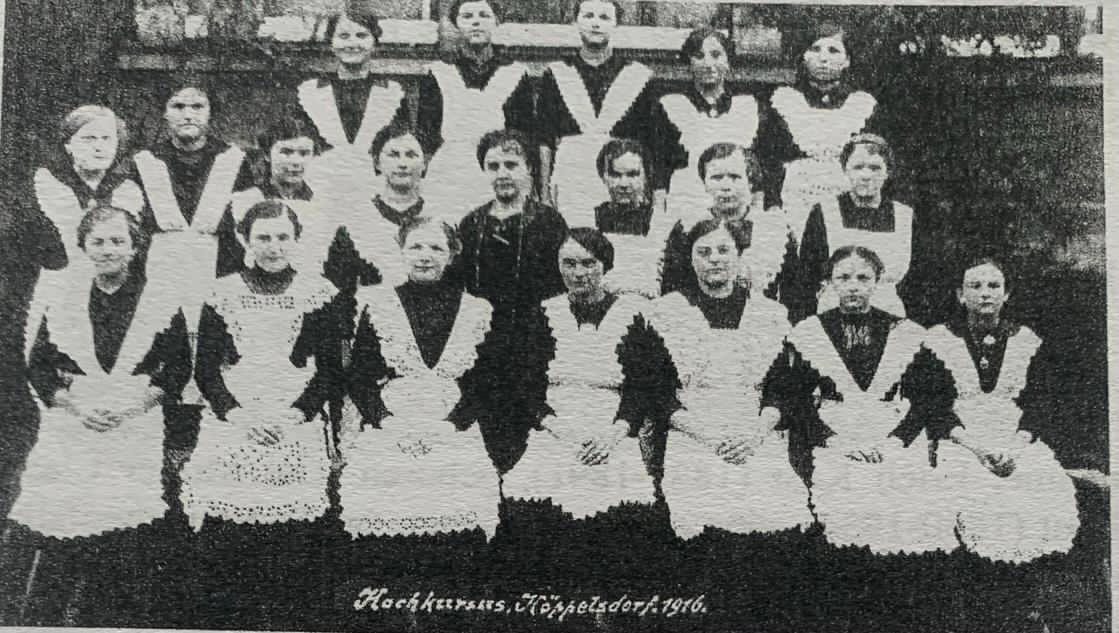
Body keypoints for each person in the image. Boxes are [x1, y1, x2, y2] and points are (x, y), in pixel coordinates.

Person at [5, 206, 190, 627]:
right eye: (99, 241)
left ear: (135, 246)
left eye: (118, 241)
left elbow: (179, 367)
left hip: (133, 420)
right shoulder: (65, 298)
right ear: (84, 246)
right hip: (76, 419)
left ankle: (111, 618)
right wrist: (77, 408)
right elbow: (38, 367)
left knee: (123, 529)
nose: (108, 250)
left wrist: (133, 408)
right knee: (62, 524)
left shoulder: (160, 297)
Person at [178, 200, 339, 630]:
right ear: (244, 240)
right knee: (228, 531)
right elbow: (206, 370)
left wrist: (294, 415)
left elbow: (329, 371)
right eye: (263, 237)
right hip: (237, 416)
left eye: (283, 237)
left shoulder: (318, 292)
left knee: (293, 536)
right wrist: (238, 416)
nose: (273, 246)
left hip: (293, 418)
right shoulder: (222, 292)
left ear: (296, 239)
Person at [339, 217, 499, 564]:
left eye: (436, 248)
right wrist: (386, 421)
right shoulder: (380, 306)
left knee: (456, 517)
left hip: (453, 424)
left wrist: (452, 425)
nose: (425, 255)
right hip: (393, 423)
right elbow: (359, 377)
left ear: (452, 254)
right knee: (386, 514)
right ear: (401, 251)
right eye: (416, 246)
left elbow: (486, 381)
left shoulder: (476, 309)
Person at [785, 245, 956, 555]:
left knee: (908, 514)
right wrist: (834, 440)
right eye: (844, 278)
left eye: (863, 278)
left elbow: (926, 400)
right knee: (846, 512)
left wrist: (895, 441)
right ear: (830, 282)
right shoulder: (810, 331)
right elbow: (797, 402)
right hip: (835, 433)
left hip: (891, 432)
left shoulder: (905, 331)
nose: (853, 286)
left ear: (877, 281)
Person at [648, 218, 811, 540]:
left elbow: (779, 388)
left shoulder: (768, 314)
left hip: (753, 431)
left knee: (778, 515)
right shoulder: (666, 312)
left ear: (739, 255)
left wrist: (755, 435)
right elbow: (659, 394)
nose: (715, 259)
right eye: (704, 252)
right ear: (690, 259)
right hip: (693, 431)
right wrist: (711, 438)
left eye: (724, 250)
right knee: (703, 519)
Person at [923, 258, 1078, 562]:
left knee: (1044, 491)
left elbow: (1039, 404)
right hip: (962, 441)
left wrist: (1015, 447)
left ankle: (1027, 575)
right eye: (975, 286)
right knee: (978, 497)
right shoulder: (938, 339)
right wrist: (978, 449)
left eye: (994, 286)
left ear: (1006, 294)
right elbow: (935, 408)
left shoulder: (1027, 341)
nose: (985, 293)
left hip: (1015, 439)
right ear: (960, 295)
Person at [455, 128, 567, 473]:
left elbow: (557, 289)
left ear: (529, 168)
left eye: (511, 164)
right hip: (482, 349)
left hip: (531, 345)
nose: (502, 173)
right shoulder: (471, 224)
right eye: (493, 166)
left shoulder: (548, 222)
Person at [535, 0, 654, 226]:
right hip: (571, 176)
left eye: (604, 17)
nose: (596, 24)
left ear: (616, 24)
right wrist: (544, 194)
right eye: (588, 16)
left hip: (620, 179)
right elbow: (545, 140)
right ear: (575, 22)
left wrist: (646, 190)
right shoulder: (558, 73)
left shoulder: (637, 75)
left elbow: (647, 140)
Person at [759, 22, 878, 240]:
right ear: (804, 57)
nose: (823, 58)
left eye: (833, 51)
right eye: (815, 49)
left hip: (844, 197)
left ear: (847, 60)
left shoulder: (861, 105)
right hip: (794, 198)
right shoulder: (784, 101)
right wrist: (773, 206)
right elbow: (768, 160)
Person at [416, 0, 535, 218]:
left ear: (497, 21)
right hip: (450, 170)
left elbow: (524, 134)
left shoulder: (515, 73)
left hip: (500, 168)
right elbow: (426, 134)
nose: (476, 22)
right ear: (456, 24)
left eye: (484, 15)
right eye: (467, 16)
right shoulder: (439, 72)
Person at [791, 133, 912, 321]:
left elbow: (917, 282)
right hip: (833, 317)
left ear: (887, 171)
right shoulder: (825, 211)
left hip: (889, 316)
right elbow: (806, 279)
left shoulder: (905, 216)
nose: (866, 176)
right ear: (845, 170)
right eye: (858, 167)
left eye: (875, 168)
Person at [648, 28, 763, 217]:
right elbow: (661, 167)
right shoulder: (672, 105)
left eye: (716, 55)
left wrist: (758, 213)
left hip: (737, 207)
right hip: (688, 203)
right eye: (699, 56)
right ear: (689, 62)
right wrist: (659, 215)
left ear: (728, 61)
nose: (708, 64)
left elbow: (759, 167)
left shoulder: (747, 106)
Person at [296, 9, 409, 201]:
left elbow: (399, 145)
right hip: (320, 187)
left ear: (375, 43)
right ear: (331, 43)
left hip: (375, 189)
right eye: (343, 36)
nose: (352, 43)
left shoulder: (392, 92)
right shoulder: (310, 91)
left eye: (361, 35)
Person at [660, 143, 790, 299]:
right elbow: (672, 289)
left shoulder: (773, 230)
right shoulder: (688, 228)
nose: (726, 186)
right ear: (705, 183)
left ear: (750, 182)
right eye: (716, 178)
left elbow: (794, 292)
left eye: (735, 177)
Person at [322, 123, 433, 293]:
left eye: (411, 155)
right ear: (377, 162)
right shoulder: (353, 224)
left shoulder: (439, 218)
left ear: (424, 163)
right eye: (393, 155)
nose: (402, 163)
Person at [30, 106, 144, 268]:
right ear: (68, 145)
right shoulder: (47, 184)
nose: (99, 147)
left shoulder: (128, 189)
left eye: (107, 138)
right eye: (89, 139)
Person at [218, 113, 323, 277]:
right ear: (267, 154)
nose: (295, 162)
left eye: (304, 153)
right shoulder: (243, 201)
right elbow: (228, 265)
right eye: (286, 152)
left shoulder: (322, 202)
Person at [592, 138, 671, 298]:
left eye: (632, 174)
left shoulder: (661, 225)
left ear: (646, 176)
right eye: (615, 175)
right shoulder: (590, 221)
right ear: (603, 176)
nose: (624, 183)